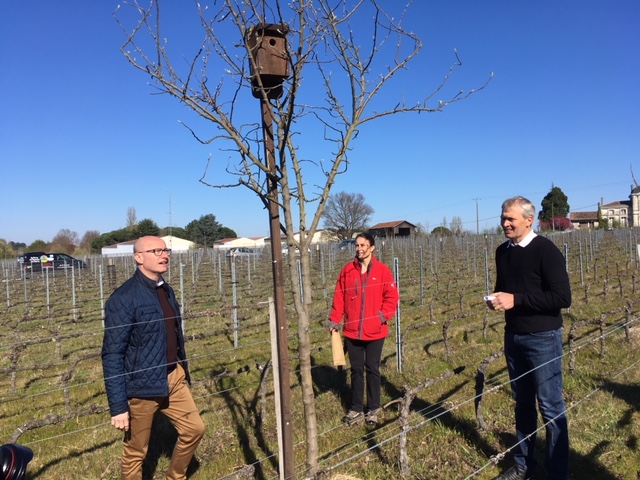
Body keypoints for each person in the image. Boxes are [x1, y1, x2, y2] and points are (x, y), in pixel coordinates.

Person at [102, 236, 205, 480]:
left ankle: (175, 477)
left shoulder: (165, 289)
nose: (164, 255)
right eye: (156, 250)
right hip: (142, 386)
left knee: (195, 429)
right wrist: (118, 407)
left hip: (173, 377)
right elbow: (112, 354)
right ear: (139, 257)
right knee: (137, 451)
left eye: (166, 250)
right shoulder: (124, 298)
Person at [486, 197, 571, 480]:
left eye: (510, 218)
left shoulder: (546, 251)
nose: (505, 223)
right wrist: (498, 299)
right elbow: (507, 290)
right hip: (514, 337)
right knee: (522, 402)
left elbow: (562, 298)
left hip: (543, 338)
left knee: (549, 405)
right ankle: (524, 465)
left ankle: (558, 472)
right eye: (503, 217)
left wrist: (516, 300)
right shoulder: (502, 252)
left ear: (528, 220)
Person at [329, 233, 399, 426]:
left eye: (363, 245)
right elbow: (339, 298)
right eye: (357, 245)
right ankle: (356, 408)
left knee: (373, 369)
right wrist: (335, 320)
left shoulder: (383, 271)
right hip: (352, 331)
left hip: (375, 331)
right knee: (356, 370)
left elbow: (392, 298)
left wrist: (381, 317)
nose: (359, 249)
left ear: (372, 248)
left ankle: (374, 408)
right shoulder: (347, 271)